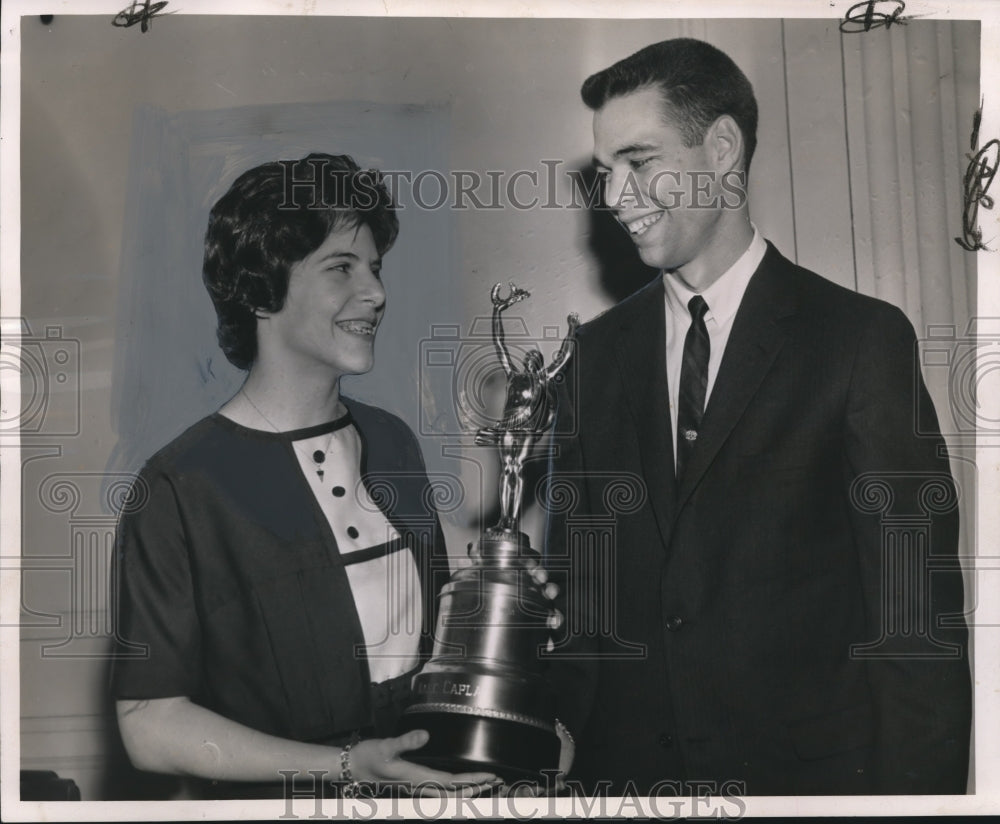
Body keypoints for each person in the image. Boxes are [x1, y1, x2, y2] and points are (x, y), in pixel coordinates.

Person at [543, 39, 971, 796]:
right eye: (606, 172)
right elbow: (585, 613)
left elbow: (915, 629)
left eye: (640, 162)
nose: (615, 197)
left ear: (722, 148)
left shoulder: (859, 341)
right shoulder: (590, 359)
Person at [110, 154, 508, 799]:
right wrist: (346, 767)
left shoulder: (392, 441)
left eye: (375, 269)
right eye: (341, 268)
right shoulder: (178, 488)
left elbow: (432, 641)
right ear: (263, 287)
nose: (376, 293)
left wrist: (501, 598)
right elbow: (149, 726)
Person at [475, 281, 579, 531]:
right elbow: (499, 344)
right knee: (507, 469)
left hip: (527, 429)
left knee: (516, 468)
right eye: (529, 357)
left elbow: (564, 357)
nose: (531, 359)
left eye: (536, 358)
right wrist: (497, 310)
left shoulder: (542, 379)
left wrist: (572, 330)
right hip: (508, 427)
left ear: (539, 363)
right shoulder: (513, 375)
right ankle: (504, 519)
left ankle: (511, 521)